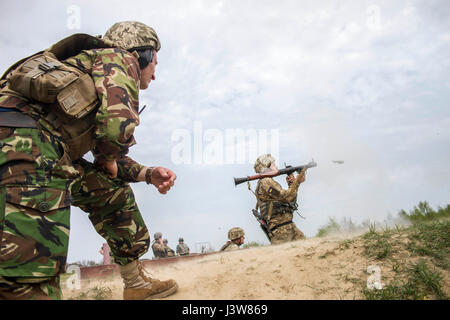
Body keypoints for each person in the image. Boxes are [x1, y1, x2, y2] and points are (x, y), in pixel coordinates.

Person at [0, 21, 178, 300]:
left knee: (109, 193)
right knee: (27, 279)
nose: (154, 75)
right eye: (155, 62)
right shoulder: (120, 58)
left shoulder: (86, 70)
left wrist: (148, 173)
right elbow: (117, 129)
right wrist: (109, 157)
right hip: (25, 149)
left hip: (40, 147)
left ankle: (135, 282)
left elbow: (107, 157)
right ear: (141, 54)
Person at [253, 154, 306, 245]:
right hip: (281, 230)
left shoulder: (266, 181)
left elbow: (290, 201)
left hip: (288, 226)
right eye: (274, 165)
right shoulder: (266, 181)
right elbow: (286, 197)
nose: (277, 167)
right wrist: (296, 182)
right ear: (267, 167)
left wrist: (292, 184)